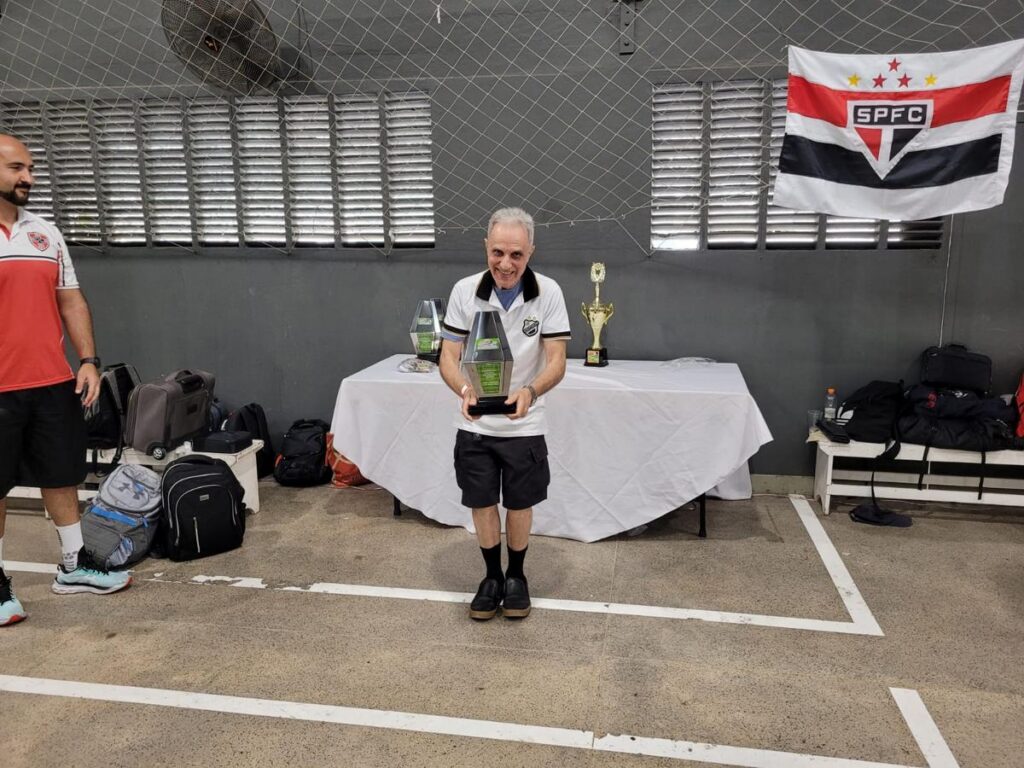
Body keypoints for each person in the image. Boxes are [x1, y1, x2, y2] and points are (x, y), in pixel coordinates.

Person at [0, 134, 131, 628]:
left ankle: (75, 566)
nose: (28, 177)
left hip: (52, 382)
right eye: (16, 168)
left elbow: (70, 299)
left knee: (61, 475)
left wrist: (88, 360)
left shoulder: (45, 233)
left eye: (30, 168)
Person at [439, 207, 570, 620]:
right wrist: (464, 390)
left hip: (524, 423)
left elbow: (557, 361)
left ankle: (516, 576)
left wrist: (530, 392)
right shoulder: (464, 291)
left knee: (519, 503)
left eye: (516, 254)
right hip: (475, 422)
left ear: (531, 251)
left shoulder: (549, 292)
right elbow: (448, 355)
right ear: (486, 247)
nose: (506, 264)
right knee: (481, 502)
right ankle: (491, 576)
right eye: (497, 252)